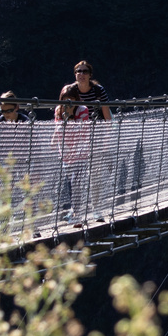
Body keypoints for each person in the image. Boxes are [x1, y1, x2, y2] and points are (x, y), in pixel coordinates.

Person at [55, 62, 110, 224]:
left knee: (95, 173)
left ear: (90, 74)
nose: (82, 74)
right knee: (74, 176)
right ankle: (76, 210)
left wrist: (106, 140)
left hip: (96, 133)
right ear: (75, 74)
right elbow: (60, 110)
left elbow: (107, 117)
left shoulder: (98, 91)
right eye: (78, 71)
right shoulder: (70, 91)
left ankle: (96, 209)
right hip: (76, 137)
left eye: (85, 71)